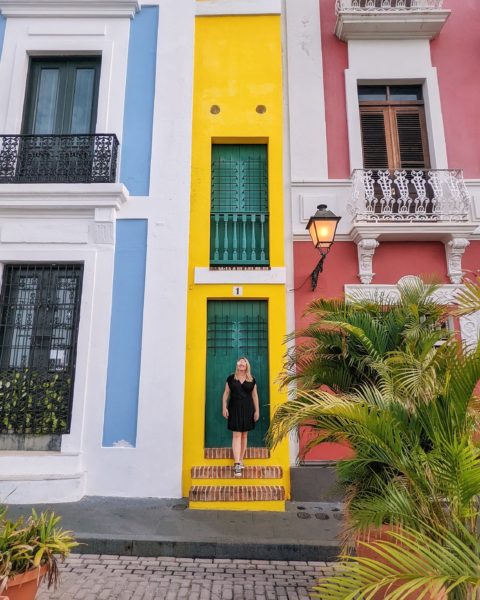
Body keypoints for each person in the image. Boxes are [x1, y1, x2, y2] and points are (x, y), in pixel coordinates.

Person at [222, 357, 260, 477]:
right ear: (237, 365)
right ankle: (237, 463)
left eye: (243, 363)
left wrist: (257, 411)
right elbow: (226, 394)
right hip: (234, 408)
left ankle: (241, 459)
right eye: (239, 363)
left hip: (248, 409)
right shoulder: (231, 378)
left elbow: (255, 396)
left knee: (244, 435)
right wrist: (224, 407)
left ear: (247, 366)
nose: (241, 364)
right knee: (237, 434)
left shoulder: (252, 379)